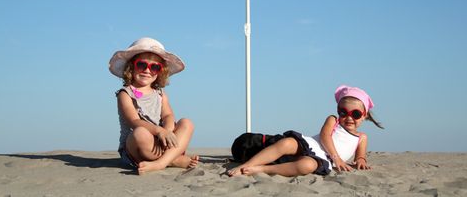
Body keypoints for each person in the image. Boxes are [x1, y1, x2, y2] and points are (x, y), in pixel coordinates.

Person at [228, 85, 383, 177]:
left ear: (364, 116)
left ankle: (261, 169)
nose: (349, 118)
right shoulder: (333, 121)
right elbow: (325, 136)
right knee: (288, 142)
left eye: (355, 114)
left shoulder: (362, 138)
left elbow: (360, 156)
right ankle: (247, 165)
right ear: (338, 111)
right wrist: (336, 158)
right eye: (343, 112)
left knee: (307, 166)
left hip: (324, 160)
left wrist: (361, 161)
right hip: (312, 145)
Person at [109, 37, 199, 174]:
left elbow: (168, 115)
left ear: (160, 72)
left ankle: (162, 162)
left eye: (154, 67)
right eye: (141, 65)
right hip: (137, 146)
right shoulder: (125, 94)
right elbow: (134, 121)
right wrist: (159, 131)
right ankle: (172, 160)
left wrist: (167, 130)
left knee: (187, 123)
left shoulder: (160, 94)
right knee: (140, 133)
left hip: (161, 142)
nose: (147, 70)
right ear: (131, 66)